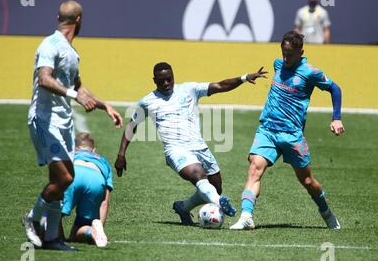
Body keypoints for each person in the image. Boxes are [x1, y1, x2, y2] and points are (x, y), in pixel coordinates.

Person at [22, 0, 123, 251]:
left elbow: (79, 88)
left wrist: (104, 106)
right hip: (46, 118)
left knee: (65, 179)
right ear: (79, 20)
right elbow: (44, 79)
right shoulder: (50, 44)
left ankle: (53, 239)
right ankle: (34, 218)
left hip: (63, 121)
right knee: (65, 178)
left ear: (59, 16)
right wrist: (73, 94)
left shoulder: (71, 52)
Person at [114, 62, 268, 225]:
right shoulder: (147, 102)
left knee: (215, 186)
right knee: (198, 175)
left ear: (173, 77)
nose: (166, 84)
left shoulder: (189, 89)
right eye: (161, 81)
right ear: (154, 80)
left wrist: (244, 78)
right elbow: (132, 125)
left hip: (199, 147)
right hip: (175, 150)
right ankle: (219, 202)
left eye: (169, 79)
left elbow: (221, 85)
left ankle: (183, 207)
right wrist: (121, 153)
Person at [230, 30, 344, 231]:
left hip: (292, 135)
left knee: (307, 181)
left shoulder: (311, 73)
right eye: (283, 52)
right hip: (267, 129)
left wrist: (336, 118)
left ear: (301, 51)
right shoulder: (278, 65)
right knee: (255, 168)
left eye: (290, 54)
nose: (285, 58)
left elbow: (335, 89)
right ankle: (246, 216)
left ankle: (326, 212)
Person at [58, 132, 113, 248]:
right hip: (96, 179)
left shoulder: (71, 154)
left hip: (74, 173)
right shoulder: (103, 161)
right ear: (94, 150)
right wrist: (101, 226)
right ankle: (92, 231)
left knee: (54, 213)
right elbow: (105, 202)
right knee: (79, 232)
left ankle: (58, 240)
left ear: (74, 148)